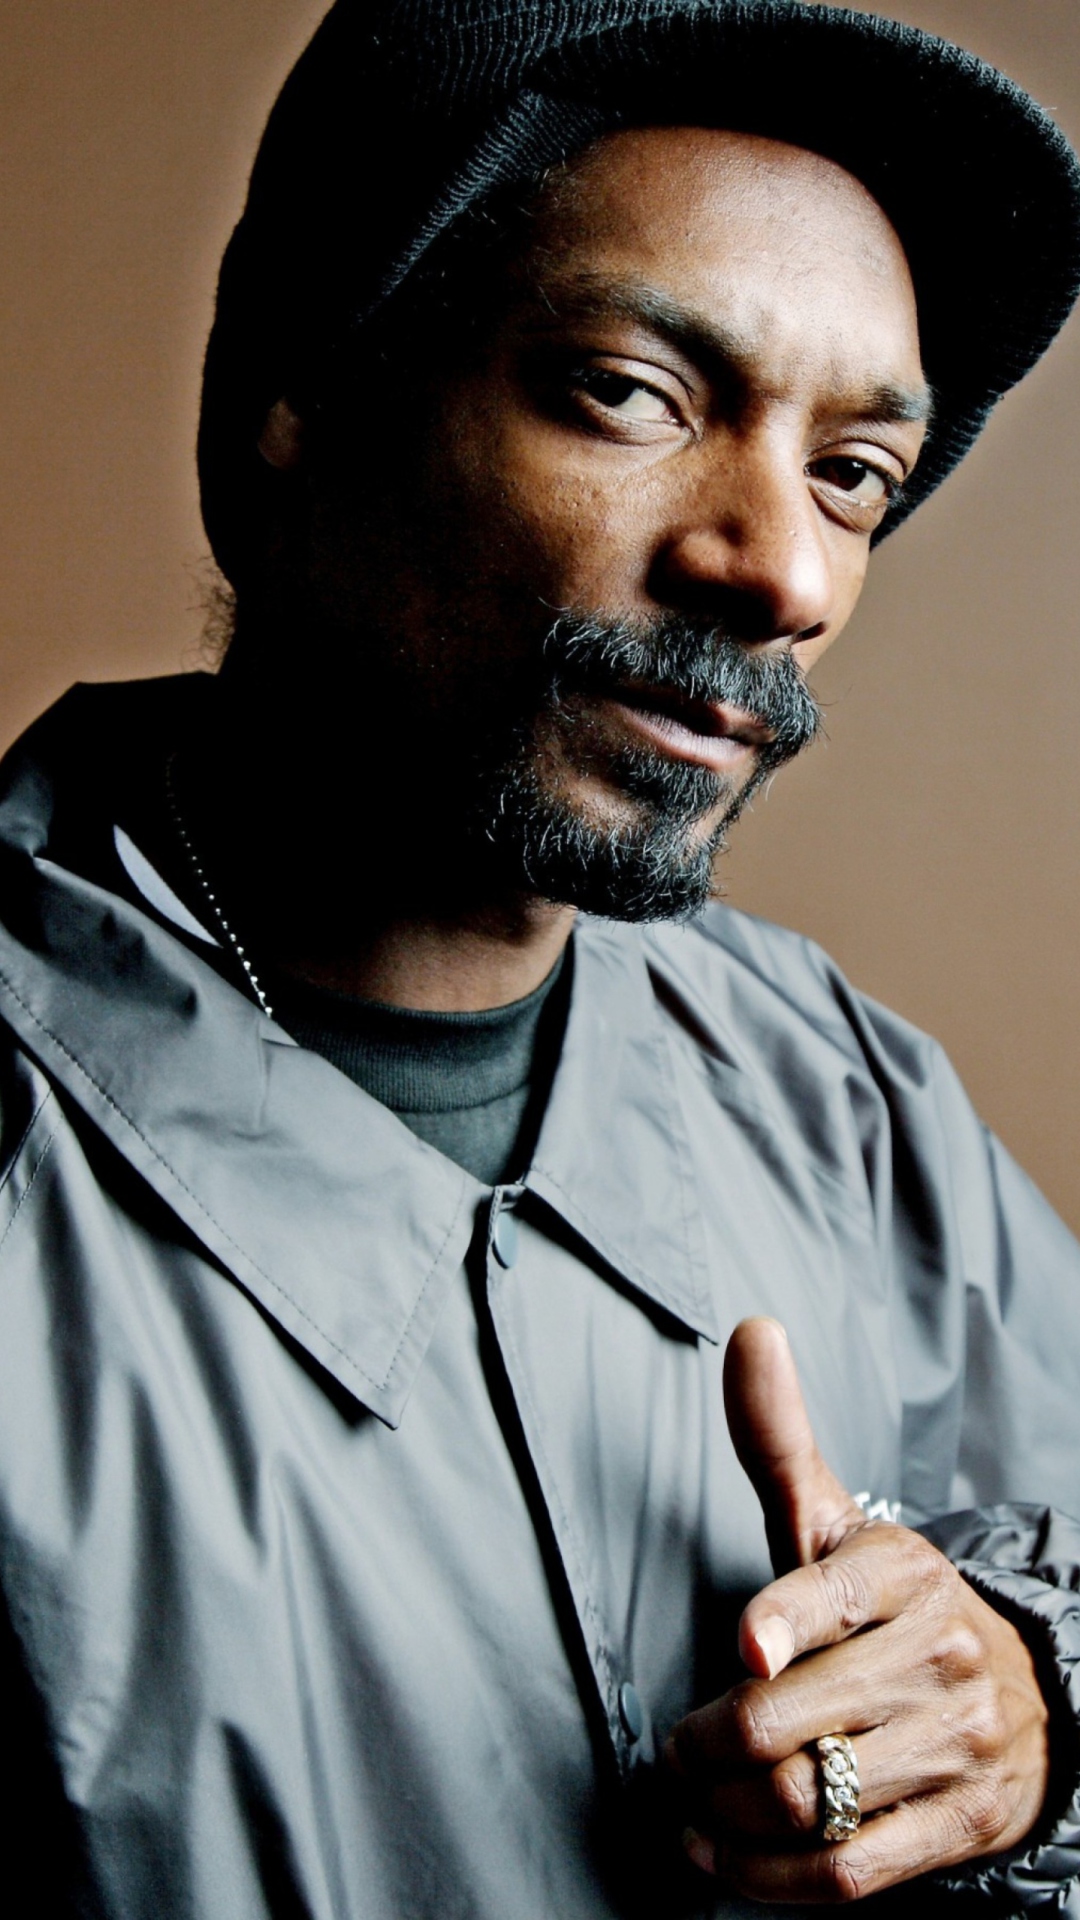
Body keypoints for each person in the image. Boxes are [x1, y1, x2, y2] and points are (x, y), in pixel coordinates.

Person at [3, 0, 1080, 1914]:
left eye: (855, 472)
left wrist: (1028, 1699)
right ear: (295, 402)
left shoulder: (845, 1093)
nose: (786, 572)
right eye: (630, 393)